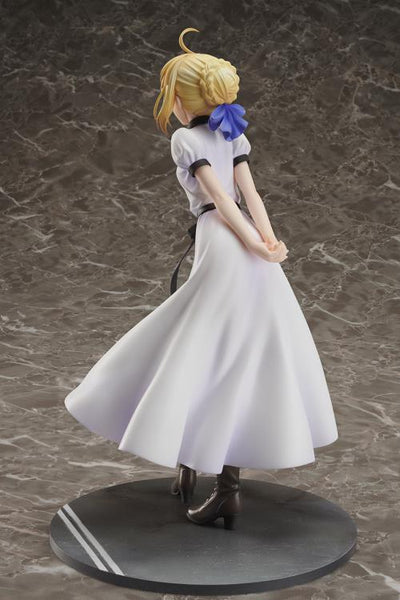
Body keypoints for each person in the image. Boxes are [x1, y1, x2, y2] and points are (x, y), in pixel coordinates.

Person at [64, 27, 338, 531]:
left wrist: (260, 242)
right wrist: (267, 241)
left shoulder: (186, 137)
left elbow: (222, 199)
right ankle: (197, 464)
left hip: (227, 239)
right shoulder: (230, 134)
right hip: (243, 241)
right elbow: (250, 198)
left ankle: (217, 481)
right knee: (231, 346)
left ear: (180, 100)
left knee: (210, 346)